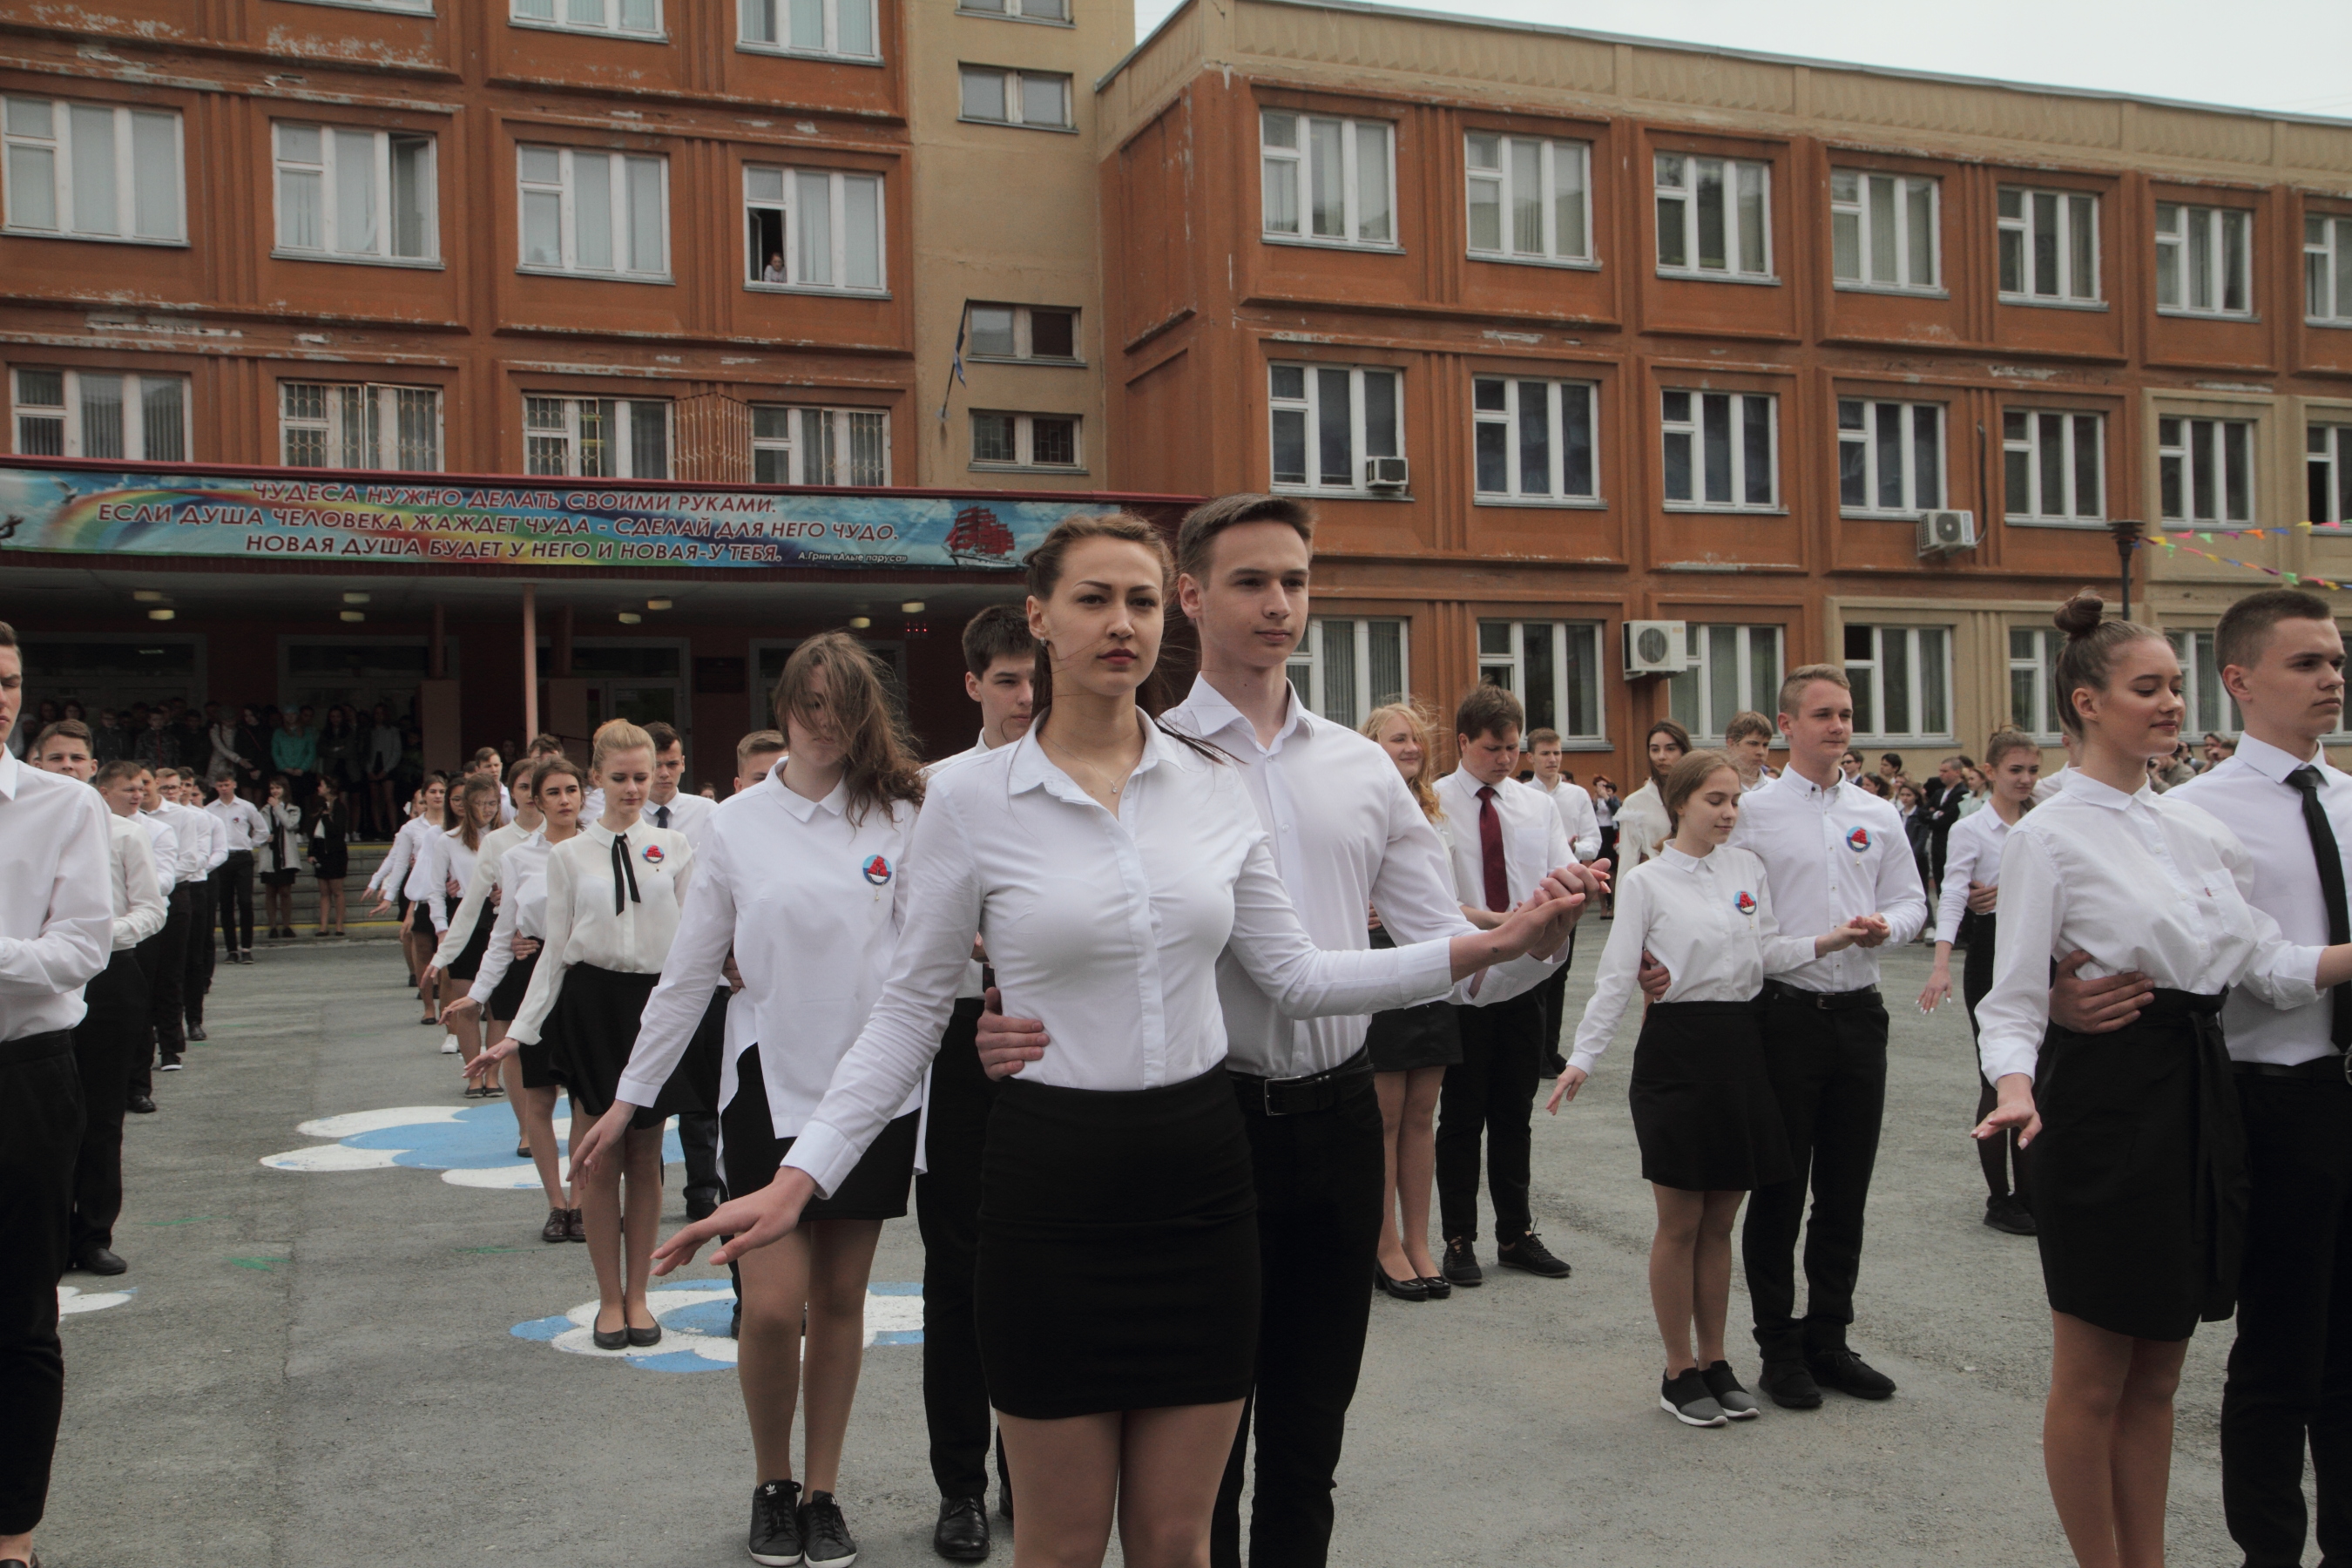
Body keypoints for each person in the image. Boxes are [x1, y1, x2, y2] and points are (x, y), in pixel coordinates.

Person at [653, 513, 1580, 1568]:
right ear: (1040, 619)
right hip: (1050, 1187)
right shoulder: (962, 799)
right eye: (1093, 600)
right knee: (1060, 1544)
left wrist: (1488, 946)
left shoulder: (1212, 787)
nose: (1120, 624)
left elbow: (1299, 976)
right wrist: (798, 1178)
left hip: (1201, 1182)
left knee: (1177, 1539)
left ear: (1165, 616)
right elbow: (911, 1012)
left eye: (1139, 601)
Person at [1971, 590, 2352, 1568]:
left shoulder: (2195, 834)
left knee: (2158, 1379)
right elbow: (2013, 998)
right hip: (2105, 1101)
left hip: (2199, 1099)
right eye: (2149, 688)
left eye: (2176, 686)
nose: (2172, 704)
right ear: (2088, 703)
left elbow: (2262, 965)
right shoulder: (2046, 835)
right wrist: (2017, 1084)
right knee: (2095, 1376)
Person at [575, 636, 924, 1568]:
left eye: (841, 703)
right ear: (783, 706)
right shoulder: (734, 824)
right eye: (807, 702)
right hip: (768, 1080)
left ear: (864, 712)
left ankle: (823, 1493)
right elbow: (689, 976)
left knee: (844, 1299)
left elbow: (936, 959)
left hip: (879, 1090)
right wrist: (628, 1101)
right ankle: (771, 1482)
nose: (823, 721)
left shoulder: (903, 814)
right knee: (772, 1305)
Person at [1552, 749, 1877, 1427]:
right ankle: (1677, 1371)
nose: (1730, 812)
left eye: (1735, 801)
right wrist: (1583, 1057)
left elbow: (1767, 953)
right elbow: (1616, 978)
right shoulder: (1646, 883)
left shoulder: (1746, 870)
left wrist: (1832, 939)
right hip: (1678, 1052)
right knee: (1681, 1221)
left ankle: (1716, 1360)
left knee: (1721, 1221)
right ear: (1679, 805)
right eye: (1715, 801)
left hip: (1742, 1050)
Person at [1646, 666, 1927, 1409]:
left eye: (1846, 714)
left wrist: (1887, 927)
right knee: (1779, 1186)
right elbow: (1696, 887)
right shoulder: (1757, 812)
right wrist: (1661, 964)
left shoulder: (1879, 813)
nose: (1838, 727)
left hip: (1859, 1010)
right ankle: (1778, 1347)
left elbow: (1910, 902)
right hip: (1785, 1014)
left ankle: (1828, 1337)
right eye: (1823, 715)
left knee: (1846, 1190)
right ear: (1788, 725)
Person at [2159, 590, 2352, 1568]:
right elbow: (2260, 971)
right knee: (2280, 1352)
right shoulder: (2195, 816)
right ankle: (2269, 1550)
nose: (2331, 677)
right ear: (2239, 681)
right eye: (2306, 663)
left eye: (2334, 660)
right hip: (2275, 1100)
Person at [482, 721, 702, 1351]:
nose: (635, 788)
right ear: (595, 781)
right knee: (601, 1153)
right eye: (621, 778)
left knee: (647, 1152)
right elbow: (553, 953)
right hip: (591, 1003)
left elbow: (696, 941)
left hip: (656, 1006)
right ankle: (609, 1298)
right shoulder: (566, 855)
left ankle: (640, 1296)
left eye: (645, 775)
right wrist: (517, 1035)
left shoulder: (676, 845)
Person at [904, 603, 1032, 1559]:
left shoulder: (1085, 779)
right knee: (955, 1277)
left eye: (1037, 680)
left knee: (1047, 1270)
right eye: (1007, 681)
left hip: (1054, 1040)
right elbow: (899, 929)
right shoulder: (929, 793)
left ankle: (1031, 1465)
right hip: (957, 1040)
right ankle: (960, 1484)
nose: (1026, 699)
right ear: (972, 685)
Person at [0, 624, 115, 1568]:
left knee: (20, 1316)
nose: (1, 698)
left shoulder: (60, 806)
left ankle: (14, 1537)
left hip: (21, 1079)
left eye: (8, 682)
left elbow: (81, 949)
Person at [1434, 683, 1581, 1288]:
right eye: (1493, 747)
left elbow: (1555, 875)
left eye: (1513, 748)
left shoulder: (1535, 805)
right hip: (1462, 978)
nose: (1504, 759)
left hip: (1524, 978)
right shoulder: (1433, 801)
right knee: (1462, 1116)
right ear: (1465, 741)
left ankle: (1516, 1232)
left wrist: (1567, 897)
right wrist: (1500, 925)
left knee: (1513, 1113)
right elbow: (1434, 897)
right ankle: (1458, 1237)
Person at [32, 734, 165, 1279]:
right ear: (35, 764)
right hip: (31, 978)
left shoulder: (125, 833)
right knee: (39, 1117)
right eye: (54, 758)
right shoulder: (20, 824)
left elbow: (152, 909)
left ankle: (92, 1235)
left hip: (109, 977)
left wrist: (97, 936)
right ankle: (44, 1233)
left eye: (75, 758)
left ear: (92, 769)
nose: (66, 766)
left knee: (101, 1114)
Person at [448, 754, 586, 1242]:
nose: (564, 799)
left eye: (572, 790)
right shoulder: (516, 856)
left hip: (591, 979)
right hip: (536, 978)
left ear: (583, 795)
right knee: (541, 1100)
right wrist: (477, 996)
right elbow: (503, 934)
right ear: (535, 800)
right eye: (553, 792)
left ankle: (584, 1202)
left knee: (589, 1103)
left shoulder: (608, 847)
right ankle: (557, 1205)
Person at [1916, 731, 2042, 1236]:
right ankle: (2001, 1197)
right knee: (1997, 1074)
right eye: (2016, 770)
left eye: (2033, 770)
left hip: (2038, 947)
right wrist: (1942, 962)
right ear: (1990, 772)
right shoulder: (1971, 829)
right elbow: (1951, 896)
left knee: (2041, 1075)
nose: (2026, 779)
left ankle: (2034, 1192)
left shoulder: (2046, 819)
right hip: (1991, 952)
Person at [1362, 701, 1466, 1302]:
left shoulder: (1434, 811)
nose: (1410, 748)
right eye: (1398, 738)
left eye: (1417, 741)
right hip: (1378, 961)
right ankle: (1384, 1244)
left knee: (1423, 1115)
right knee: (1384, 1116)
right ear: (1370, 745)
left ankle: (1420, 1241)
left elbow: (1446, 899)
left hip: (1431, 963)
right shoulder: (1355, 807)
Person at [639, 720, 723, 1220]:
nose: (666, 774)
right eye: (658, 766)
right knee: (646, 1094)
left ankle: (702, 1192)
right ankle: (647, 1192)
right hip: (644, 972)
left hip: (704, 972)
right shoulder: (619, 821)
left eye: (673, 764)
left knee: (701, 1095)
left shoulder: (708, 814)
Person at [1518, 725, 1602, 1077]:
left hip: (1569, 892)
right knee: (1532, 977)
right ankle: (1533, 1051)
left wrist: (1569, 848)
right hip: (1538, 895)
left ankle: (1550, 1050)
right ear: (1531, 757)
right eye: (1545, 754)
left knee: (1559, 974)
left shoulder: (1577, 795)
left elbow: (1593, 841)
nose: (1552, 760)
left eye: (1557, 753)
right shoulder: (1522, 796)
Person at [424, 776, 505, 1091]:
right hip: (465, 919)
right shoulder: (448, 840)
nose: (487, 810)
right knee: (468, 1003)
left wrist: (505, 893)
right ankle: (474, 1076)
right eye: (481, 803)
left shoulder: (504, 837)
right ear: (465, 804)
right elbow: (435, 889)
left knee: (496, 1004)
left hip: (499, 919)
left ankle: (494, 1075)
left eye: (493, 803)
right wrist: (442, 931)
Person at [368, 777, 448, 1024]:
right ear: (424, 797)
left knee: (446, 955)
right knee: (422, 949)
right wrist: (388, 893)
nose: (437, 796)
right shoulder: (411, 828)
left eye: (442, 791)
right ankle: (428, 1008)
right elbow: (400, 863)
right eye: (432, 792)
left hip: (449, 893)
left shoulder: (454, 825)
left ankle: (446, 1007)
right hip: (420, 893)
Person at [160, 769, 226, 1044]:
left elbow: (200, 857)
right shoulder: (146, 818)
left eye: (178, 786)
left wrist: (160, 876)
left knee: (193, 958)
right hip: (159, 888)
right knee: (163, 961)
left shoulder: (200, 818)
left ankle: (194, 1019)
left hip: (191, 885)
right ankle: (163, 1022)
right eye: (165, 787)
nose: (174, 791)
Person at [133, 766, 188, 1084]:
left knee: (168, 979)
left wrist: (139, 885)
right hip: (125, 915)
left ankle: (170, 1046)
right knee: (138, 989)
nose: (138, 792)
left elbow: (174, 870)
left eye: (143, 785)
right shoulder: (103, 825)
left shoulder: (166, 825)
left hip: (165, 903)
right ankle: (139, 1059)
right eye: (131, 787)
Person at [1612, 720, 1689, 875]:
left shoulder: (1698, 795)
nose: (1661, 756)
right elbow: (1628, 860)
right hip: (1656, 884)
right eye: (1655, 750)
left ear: (1684, 750)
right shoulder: (1635, 803)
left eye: (1670, 749)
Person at [206, 772, 267, 964]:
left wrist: (250, 844)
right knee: (225, 905)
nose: (224, 788)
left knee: (245, 901)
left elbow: (262, 829)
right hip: (221, 858)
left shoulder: (245, 806)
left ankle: (246, 948)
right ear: (215, 787)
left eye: (226, 784)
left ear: (233, 784)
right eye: (220, 785)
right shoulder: (209, 809)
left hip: (241, 856)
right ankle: (231, 949)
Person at [254, 778, 303, 940]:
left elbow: (290, 824)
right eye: (272, 788)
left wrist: (277, 808)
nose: (275, 791)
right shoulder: (263, 811)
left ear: (284, 789)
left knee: (285, 892)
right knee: (270, 891)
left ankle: (287, 926)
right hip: (270, 854)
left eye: (278, 788)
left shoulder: (293, 809)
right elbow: (256, 831)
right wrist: (263, 837)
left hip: (286, 855)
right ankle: (273, 926)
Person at [308, 776, 350, 937]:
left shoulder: (339, 808)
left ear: (329, 788)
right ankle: (323, 926)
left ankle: (339, 925)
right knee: (324, 890)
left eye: (321, 785)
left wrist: (326, 817)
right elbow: (312, 831)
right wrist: (311, 852)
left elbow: (337, 832)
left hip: (335, 852)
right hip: (320, 850)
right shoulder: (318, 806)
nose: (319, 788)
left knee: (337, 890)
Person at [271, 709, 317, 807]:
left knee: (301, 800)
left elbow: (311, 752)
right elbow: (275, 752)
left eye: (293, 714)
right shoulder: (278, 732)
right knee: (283, 799)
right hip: (284, 772)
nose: (290, 717)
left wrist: (302, 768)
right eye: (287, 714)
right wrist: (283, 767)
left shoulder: (306, 732)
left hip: (301, 773)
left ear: (297, 716)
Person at [1727, 711, 1778, 792]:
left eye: (1765, 745)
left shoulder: (1776, 788)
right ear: (1732, 744)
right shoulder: (1716, 786)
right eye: (1753, 744)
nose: (1761, 752)